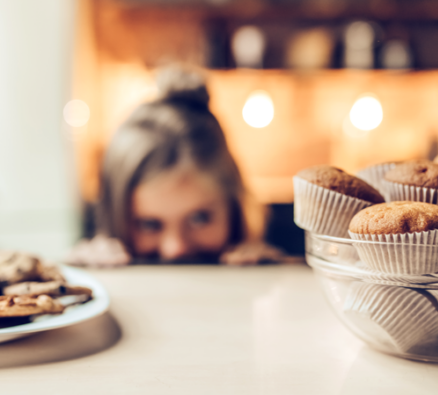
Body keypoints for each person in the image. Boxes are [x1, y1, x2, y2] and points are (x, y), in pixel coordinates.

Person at [66, 66, 285, 266]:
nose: (175, 249)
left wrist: (270, 281)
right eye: (149, 224)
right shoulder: (89, 279)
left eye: (199, 218)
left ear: (234, 209)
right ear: (115, 214)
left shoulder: (267, 277)